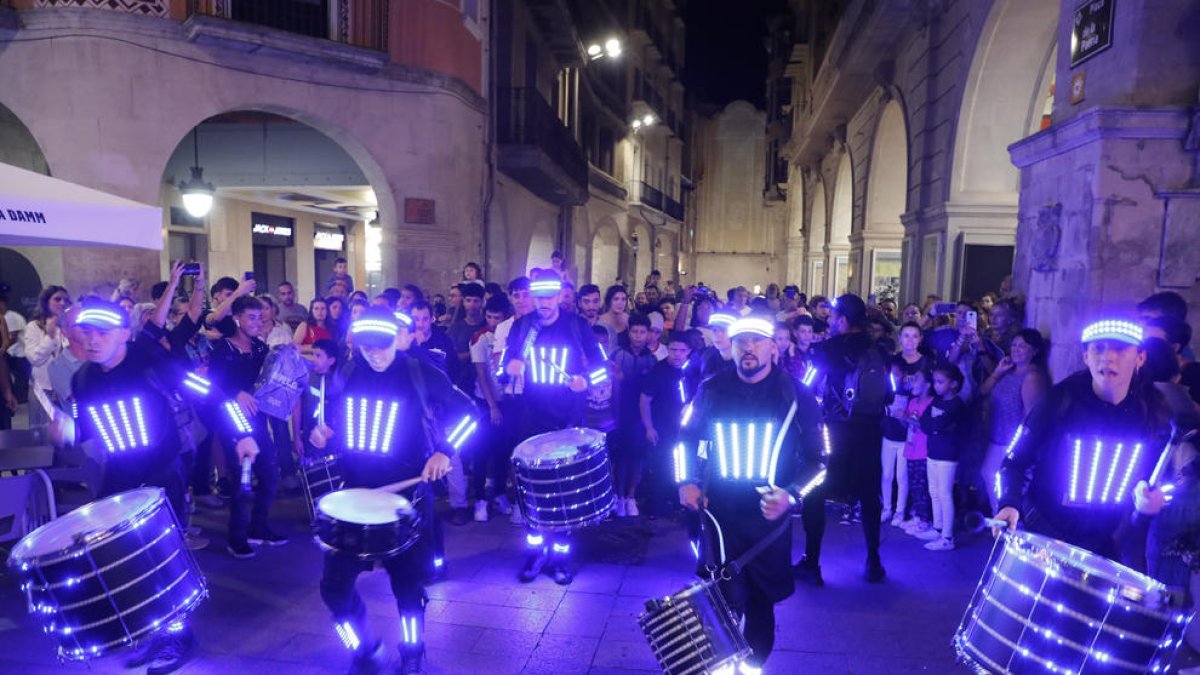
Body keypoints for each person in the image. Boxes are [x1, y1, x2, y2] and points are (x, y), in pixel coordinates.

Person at [52, 299, 262, 674]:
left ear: (124, 334)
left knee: (162, 556)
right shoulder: (81, 378)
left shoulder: (153, 364)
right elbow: (85, 425)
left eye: (103, 333)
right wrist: (67, 431)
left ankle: (177, 637)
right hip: (118, 474)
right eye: (87, 333)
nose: (94, 340)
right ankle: (148, 633)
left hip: (162, 472)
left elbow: (212, 395)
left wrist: (241, 434)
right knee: (116, 557)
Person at [309, 308, 475, 674]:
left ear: (397, 339)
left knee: (409, 588)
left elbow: (470, 413)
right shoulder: (346, 372)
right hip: (353, 495)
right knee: (333, 588)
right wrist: (320, 433)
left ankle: (413, 651)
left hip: (407, 499)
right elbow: (329, 416)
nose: (375, 354)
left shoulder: (421, 373)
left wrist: (445, 451)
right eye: (366, 347)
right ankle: (364, 648)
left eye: (381, 346)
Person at [675, 315, 823, 670]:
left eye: (757, 341)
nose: (748, 348)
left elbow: (820, 462)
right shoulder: (710, 388)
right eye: (742, 341)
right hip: (719, 514)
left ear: (774, 346)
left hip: (767, 521)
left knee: (760, 605)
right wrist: (686, 480)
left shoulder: (797, 394)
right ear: (731, 347)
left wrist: (790, 495)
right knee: (718, 602)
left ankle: (752, 669)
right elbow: (685, 437)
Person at [994, 319, 1173, 565]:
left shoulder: (1153, 415)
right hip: (1043, 537)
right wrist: (1009, 503)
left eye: (1120, 349)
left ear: (1140, 358)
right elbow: (1015, 461)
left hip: (1106, 548)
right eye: (1098, 348)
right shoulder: (1058, 401)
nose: (1108, 357)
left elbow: (1164, 477)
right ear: (1086, 356)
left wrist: (1154, 500)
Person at [503, 271, 607, 584]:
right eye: (538, 298)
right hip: (530, 421)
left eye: (549, 297)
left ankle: (561, 557)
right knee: (532, 492)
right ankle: (535, 553)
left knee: (564, 492)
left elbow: (603, 365)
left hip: (567, 421)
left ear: (561, 295)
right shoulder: (522, 326)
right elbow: (502, 368)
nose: (543, 303)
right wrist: (510, 367)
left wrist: (586, 382)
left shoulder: (577, 326)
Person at [799, 293, 890, 583]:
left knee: (815, 491)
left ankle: (812, 563)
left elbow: (807, 387)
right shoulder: (880, 350)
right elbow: (888, 393)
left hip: (835, 432)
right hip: (870, 432)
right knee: (870, 496)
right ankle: (873, 560)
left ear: (843, 319)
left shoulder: (826, 350)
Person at [208, 296, 284, 559]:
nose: (257, 322)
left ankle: (259, 527)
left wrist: (289, 357)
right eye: (251, 317)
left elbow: (274, 377)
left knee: (270, 472)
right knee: (242, 478)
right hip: (232, 421)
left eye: (260, 317)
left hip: (258, 420)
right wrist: (235, 393)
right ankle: (237, 537)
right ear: (236, 318)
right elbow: (211, 388)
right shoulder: (223, 349)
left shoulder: (261, 349)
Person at [978, 328, 1050, 512]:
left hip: (1011, 439)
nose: (1016, 350)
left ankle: (1008, 523)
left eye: (1023, 346)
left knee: (1005, 482)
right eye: (1014, 345)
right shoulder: (1009, 370)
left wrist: (1020, 445)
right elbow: (983, 391)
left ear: (1034, 351)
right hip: (996, 434)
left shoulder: (1032, 377)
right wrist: (998, 371)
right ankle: (1000, 518)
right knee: (989, 474)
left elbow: (1031, 415)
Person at [469, 295, 514, 522]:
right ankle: (480, 499)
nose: (493, 321)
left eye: (497, 317)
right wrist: (492, 406)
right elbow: (482, 374)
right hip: (485, 402)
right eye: (489, 316)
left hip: (508, 401)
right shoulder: (480, 338)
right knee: (481, 451)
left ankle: (498, 493)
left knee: (502, 451)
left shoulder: (509, 336)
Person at [639, 331, 693, 517]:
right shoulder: (658, 371)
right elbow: (644, 400)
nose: (677, 354)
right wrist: (649, 427)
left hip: (686, 429)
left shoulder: (692, 370)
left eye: (682, 350)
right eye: (673, 349)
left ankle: (678, 501)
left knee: (682, 465)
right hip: (663, 428)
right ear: (667, 350)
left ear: (689, 351)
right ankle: (656, 507)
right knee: (662, 466)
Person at [611, 313, 658, 517]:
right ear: (628, 332)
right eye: (634, 331)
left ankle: (631, 496)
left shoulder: (652, 359)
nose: (638, 336)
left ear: (648, 334)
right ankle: (618, 496)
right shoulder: (618, 354)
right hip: (619, 412)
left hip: (640, 414)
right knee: (620, 456)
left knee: (637, 456)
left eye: (642, 332)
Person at [919, 364, 966, 551]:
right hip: (933, 451)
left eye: (940, 382)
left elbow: (937, 425)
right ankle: (938, 527)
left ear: (953, 384)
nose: (936, 385)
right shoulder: (937, 401)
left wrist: (935, 426)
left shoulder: (957, 405)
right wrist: (934, 426)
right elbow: (925, 423)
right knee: (934, 491)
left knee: (945, 494)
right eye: (935, 381)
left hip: (948, 454)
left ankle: (947, 537)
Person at [24, 285, 71, 427]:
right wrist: (50, 337)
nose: (62, 303)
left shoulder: (68, 327)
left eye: (66, 300)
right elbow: (34, 359)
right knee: (41, 434)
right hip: (43, 389)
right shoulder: (34, 327)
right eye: (57, 299)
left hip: (66, 390)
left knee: (67, 432)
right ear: (46, 302)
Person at [446, 283, 485, 394]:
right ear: (463, 302)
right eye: (468, 300)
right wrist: (473, 353)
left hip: (485, 383)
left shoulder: (488, 325)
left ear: (482, 302)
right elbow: (452, 357)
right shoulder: (455, 328)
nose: (472, 305)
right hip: (461, 382)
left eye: (475, 301)